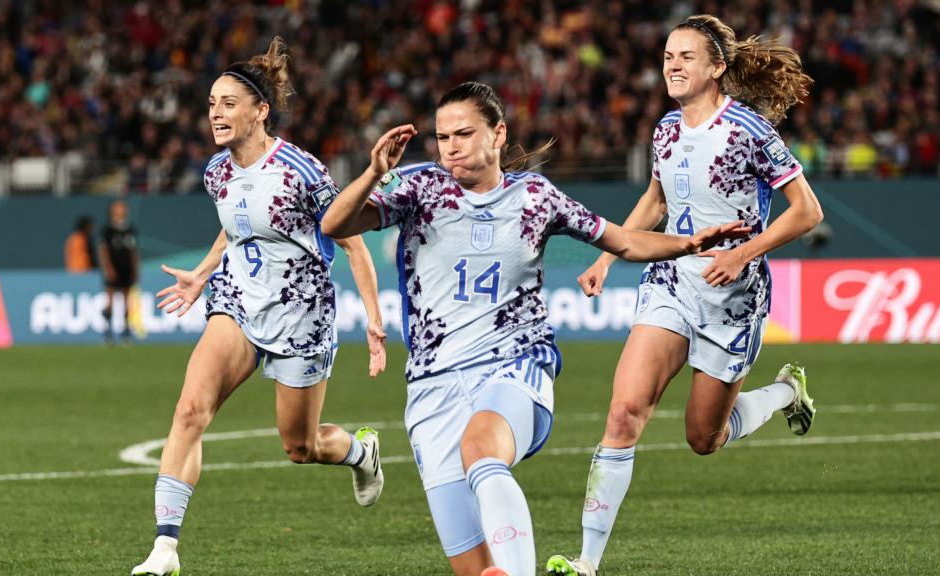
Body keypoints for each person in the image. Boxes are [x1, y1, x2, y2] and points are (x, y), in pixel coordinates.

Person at [321, 81, 748, 576]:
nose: (451, 147)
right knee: (474, 567)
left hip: (514, 366)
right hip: (432, 387)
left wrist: (688, 243)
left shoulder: (535, 198)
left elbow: (624, 241)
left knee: (481, 448)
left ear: (498, 133)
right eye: (442, 138)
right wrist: (375, 171)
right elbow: (334, 225)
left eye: (463, 133)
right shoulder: (418, 190)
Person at [545, 15, 824, 576]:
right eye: (668, 55)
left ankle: (784, 392)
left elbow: (808, 212)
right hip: (670, 285)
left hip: (733, 299)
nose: (672, 64)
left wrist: (743, 253)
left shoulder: (749, 130)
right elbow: (655, 200)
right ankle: (586, 562)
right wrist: (606, 256)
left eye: (687, 56)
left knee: (704, 437)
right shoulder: (666, 129)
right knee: (624, 413)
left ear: (717, 67)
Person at [130, 37, 388, 576]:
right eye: (210, 104)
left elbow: (353, 242)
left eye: (227, 103)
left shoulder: (303, 171)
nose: (215, 114)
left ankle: (361, 453)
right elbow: (234, 228)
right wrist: (203, 273)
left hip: (302, 316)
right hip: (238, 305)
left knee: (301, 447)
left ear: (260, 111)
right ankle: (164, 550)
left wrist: (375, 320)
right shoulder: (216, 172)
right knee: (189, 411)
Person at [99, 199, 140, 343]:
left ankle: (126, 331)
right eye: (119, 208)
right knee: (110, 300)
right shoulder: (108, 230)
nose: (122, 210)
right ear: (112, 211)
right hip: (113, 269)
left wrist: (135, 268)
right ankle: (107, 331)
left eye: (123, 208)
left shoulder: (130, 229)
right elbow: (103, 250)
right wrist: (108, 268)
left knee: (126, 301)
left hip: (127, 269)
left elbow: (133, 251)